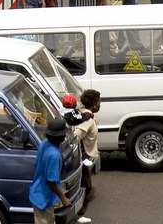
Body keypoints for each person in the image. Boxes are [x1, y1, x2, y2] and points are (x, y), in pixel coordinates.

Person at [29, 117, 72, 224]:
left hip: (38, 193)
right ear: (61, 137)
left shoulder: (44, 144)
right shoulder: (55, 155)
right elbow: (51, 181)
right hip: (43, 200)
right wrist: (63, 199)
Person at [73, 89, 101, 224]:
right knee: (87, 186)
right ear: (94, 103)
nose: (100, 104)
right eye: (99, 101)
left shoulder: (86, 114)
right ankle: (79, 214)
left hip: (87, 156)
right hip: (83, 158)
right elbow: (77, 135)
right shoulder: (87, 120)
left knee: (84, 185)